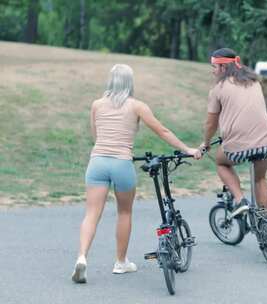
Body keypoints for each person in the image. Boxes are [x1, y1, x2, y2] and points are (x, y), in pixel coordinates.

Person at [72, 64, 201, 284]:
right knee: (124, 213)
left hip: (97, 162)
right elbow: (162, 131)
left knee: (91, 214)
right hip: (122, 163)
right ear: (130, 83)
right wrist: (188, 149)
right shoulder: (137, 106)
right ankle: (121, 262)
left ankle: (82, 257)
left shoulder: (97, 105)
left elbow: (96, 136)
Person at [200, 48, 267, 217]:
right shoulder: (254, 81)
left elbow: (211, 124)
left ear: (223, 67)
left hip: (238, 146)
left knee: (221, 163)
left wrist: (205, 144)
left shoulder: (218, 90)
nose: (212, 71)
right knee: (260, 179)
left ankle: (240, 200)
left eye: (214, 67)